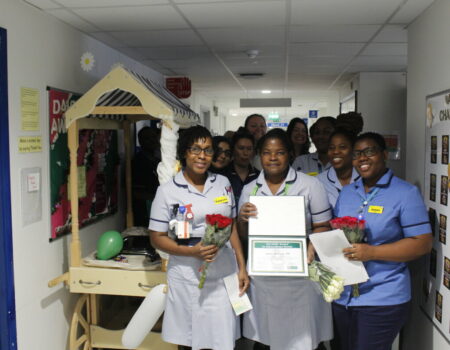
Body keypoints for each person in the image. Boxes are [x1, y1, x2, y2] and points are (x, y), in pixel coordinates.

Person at [149, 125, 249, 350]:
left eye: (208, 150)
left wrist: (242, 267)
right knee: (190, 337)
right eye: (195, 149)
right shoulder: (168, 191)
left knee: (221, 337)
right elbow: (156, 237)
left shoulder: (222, 184)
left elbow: (231, 226)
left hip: (223, 271)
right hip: (186, 273)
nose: (202, 156)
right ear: (184, 152)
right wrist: (191, 251)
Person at [332, 132, 432, 350]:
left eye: (370, 151)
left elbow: (422, 243)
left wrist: (372, 253)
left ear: (384, 155)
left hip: (383, 296)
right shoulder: (347, 193)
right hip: (344, 297)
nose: (363, 158)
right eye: (357, 154)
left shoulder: (405, 193)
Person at [238, 128, 333, 350]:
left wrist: (311, 246)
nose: (272, 158)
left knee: (303, 336)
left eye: (279, 152)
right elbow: (243, 235)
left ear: (289, 154)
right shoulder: (251, 189)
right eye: (267, 153)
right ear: (259, 155)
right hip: (264, 275)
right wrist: (242, 219)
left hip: (300, 274)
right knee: (266, 335)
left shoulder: (310, 185)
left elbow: (323, 226)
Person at [318, 130, 360, 208]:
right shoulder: (318, 182)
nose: (336, 151)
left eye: (342, 147)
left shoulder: (365, 179)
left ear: (353, 151)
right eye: (331, 148)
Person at [132, 126, 161, 227]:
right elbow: (137, 192)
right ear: (141, 141)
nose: (152, 141)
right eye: (148, 138)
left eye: (154, 137)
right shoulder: (139, 162)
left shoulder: (158, 159)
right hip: (145, 211)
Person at [223, 129, 259, 204]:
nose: (245, 153)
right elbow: (215, 201)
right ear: (233, 150)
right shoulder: (223, 175)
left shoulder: (259, 177)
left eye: (249, 149)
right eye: (241, 148)